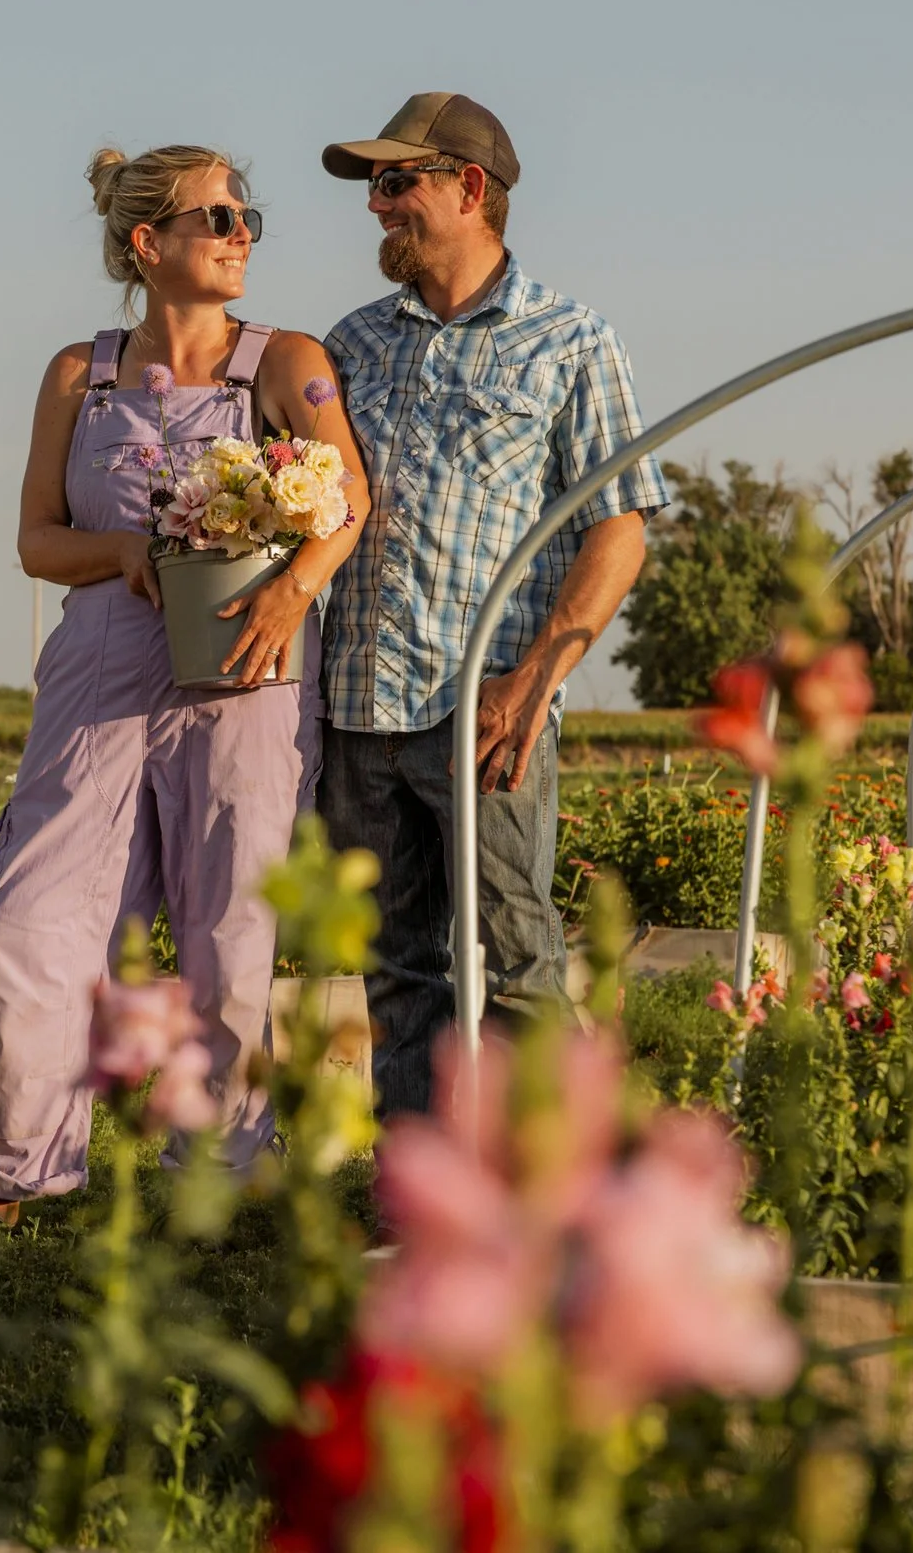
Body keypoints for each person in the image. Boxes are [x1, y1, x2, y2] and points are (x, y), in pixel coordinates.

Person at [0, 143, 372, 1219]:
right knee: (37, 916)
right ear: (149, 244)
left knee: (229, 925)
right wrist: (121, 555)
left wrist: (292, 596)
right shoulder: (76, 372)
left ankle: (218, 1183)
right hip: (99, 664)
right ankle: (18, 1170)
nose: (242, 234)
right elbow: (34, 540)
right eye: (217, 218)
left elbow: (347, 505)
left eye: (247, 216)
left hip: (248, 663)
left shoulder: (290, 362)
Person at [316, 92, 670, 1118]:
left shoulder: (570, 341)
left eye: (396, 183)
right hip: (354, 708)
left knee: (517, 960)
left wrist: (535, 678)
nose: (377, 206)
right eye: (373, 187)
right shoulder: (353, 344)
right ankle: (422, 1202)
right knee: (392, 971)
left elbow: (620, 529)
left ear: (469, 188)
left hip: (484, 710)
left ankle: (538, 1193)